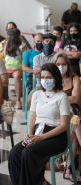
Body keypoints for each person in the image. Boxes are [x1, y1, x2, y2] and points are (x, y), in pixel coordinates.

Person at [9, 63, 70, 185]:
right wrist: (29, 136)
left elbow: (63, 125)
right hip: (38, 132)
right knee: (15, 153)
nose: (44, 80)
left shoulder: (62, 97)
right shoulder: (36, 94)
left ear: (56, 78)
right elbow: (32, 120)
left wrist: (41, 138)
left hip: (56, 136)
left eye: (48, 77)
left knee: (28, 152)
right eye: (42, 77)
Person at [51, 52, 81, 182]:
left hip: (74, 111)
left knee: (75, 129)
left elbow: (76, 98)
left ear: (68, 65)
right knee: (76, 125)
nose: (61, 66)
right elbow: (48, 99)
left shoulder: (75, 78)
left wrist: (59, 99)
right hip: (57, 112)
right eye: (58, 64)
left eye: (63, 64)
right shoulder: (50, 79)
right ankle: (68, 170)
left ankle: (68, 170)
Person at [27, 33, 57, 108]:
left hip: (55, 87)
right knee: (30, 99)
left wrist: (41, 70)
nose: (48, 44)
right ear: (43, 42)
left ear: (54, 44)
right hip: (40, 87)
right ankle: (34, 118)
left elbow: (58, 73)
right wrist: (51, 70)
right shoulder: (37, 58)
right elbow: (36, 73)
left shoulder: (57, 56)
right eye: (46, 41)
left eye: (51, 42)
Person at [4, 28, 26, 109]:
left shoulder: (22, 44)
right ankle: (6, 98)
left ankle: (18, 100)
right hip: (7, 66)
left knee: (17, 77)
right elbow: (5, 55)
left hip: (18, 67)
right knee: (4, 78)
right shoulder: (6, 43)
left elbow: (23, 56)